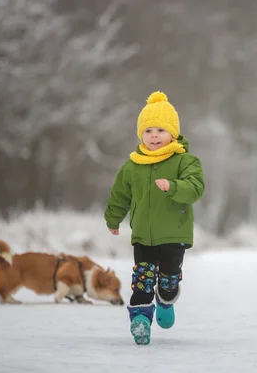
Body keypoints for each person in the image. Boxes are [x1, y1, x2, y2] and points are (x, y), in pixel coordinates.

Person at [104, 91, 205, 345]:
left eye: (160, 130)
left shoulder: (185, 161)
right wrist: (113, 219)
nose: (154, 136)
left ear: (173, 133)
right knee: (142, 280)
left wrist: (173, 187)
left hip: (175, 234)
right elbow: (120, 195)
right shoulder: (132, 166)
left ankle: (165, 299)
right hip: (143, 236)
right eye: (148, 131)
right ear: (141, 134)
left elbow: (196, 188)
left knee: (168, 280)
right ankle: (140, 320)